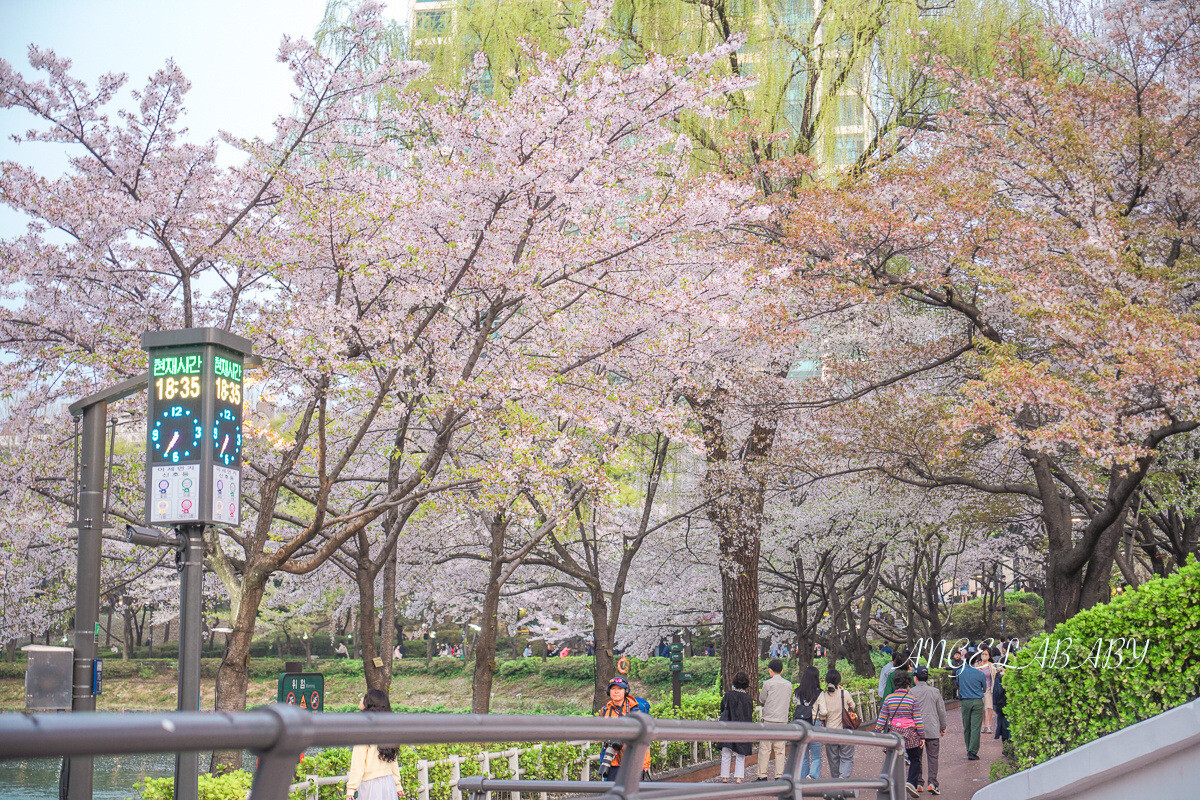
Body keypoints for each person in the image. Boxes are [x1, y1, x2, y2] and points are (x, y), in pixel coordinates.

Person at [876, 671, 924, 797]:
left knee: (895, 761)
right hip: (910, 735)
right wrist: (922, 736)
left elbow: (882, 718)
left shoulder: (889, 699)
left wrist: (877, 732)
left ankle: (895, 785)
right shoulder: (912, 699)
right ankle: (911, 782)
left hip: (894, 736)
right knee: (915, 759)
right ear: (908, 684)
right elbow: (918, 720)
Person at [346, 689, 401, 800]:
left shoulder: (364, 728)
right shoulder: (387, 728)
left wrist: (351, 789)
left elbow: (358, 762)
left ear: (370, 704)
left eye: (364, 697)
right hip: (388, 782)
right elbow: (392, 760)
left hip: (371, 785)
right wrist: (397, 785)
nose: (361, 699)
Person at [598, 677, 651, 782]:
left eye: (620, 689)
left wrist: (645, 763)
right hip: (612, 761)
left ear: (625, 691)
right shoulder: (605, 711)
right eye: (613, 689)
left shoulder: (635, 711)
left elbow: (643, 739)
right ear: (609, 691)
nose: (616, 691)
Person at [814, 669, 856, 784]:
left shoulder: (823, 695)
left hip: (830, 731)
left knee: (833, 758)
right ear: (839, 680)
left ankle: (836, 780)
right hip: (845, 731)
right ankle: (843, 777)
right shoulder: (844, 693)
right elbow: (853, 706)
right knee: (846, 756)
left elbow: (823, 714)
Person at [911, 666, 947, 795]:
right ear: (927, 678)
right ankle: (932, 783)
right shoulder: (935, 691)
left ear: (915, 678)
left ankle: (918, 783)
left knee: (917, 757)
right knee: (933, 757)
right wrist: (943, 726)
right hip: (932, 728)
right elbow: (941, 711)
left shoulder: (911, 692)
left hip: (916, 730)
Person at [758, 658, 793, 780]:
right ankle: (779, 776)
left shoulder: (767, 683)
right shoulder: (789, 685)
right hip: (782, 719)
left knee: (765, 748)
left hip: (769, 719)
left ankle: (762, 775)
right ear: (782, 670)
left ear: (770, 671)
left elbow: (762, 699)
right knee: (780, 750)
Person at [716, 671, 754, 782]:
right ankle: (738, 777)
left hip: (729, 726)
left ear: (734, 682)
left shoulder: (728, 695)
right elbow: (749, 714)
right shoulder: (748, 698)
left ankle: (724, 777)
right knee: (740, 754)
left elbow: (722, 708)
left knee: (726, 752)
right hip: (742, 728)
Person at [954, 651, 988, 760]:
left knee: (966, 726)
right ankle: (972, 751)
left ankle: (968, 747)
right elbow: (985, 688)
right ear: (976, 661)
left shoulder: (960, 672)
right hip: (977, 700)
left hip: (965, 701)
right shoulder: (980, 673)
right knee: (975, 727)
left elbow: (957, 684)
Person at [793, 666, 823, 780]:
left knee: (803, 755)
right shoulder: (820, 693)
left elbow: (795, 703)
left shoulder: (797, 692)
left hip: (801, 725)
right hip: (815, 724)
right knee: (816, 756)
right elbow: (824, 711)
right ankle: (812, 775)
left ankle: (802, 778)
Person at [976, 648, 997, 733]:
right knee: (981, 708)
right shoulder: (977, 666)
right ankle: (983, 725)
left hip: (988, 689)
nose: (984, 656)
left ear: (989, 656)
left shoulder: (991, 666)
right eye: (983, 654)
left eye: (986, 654)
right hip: (979, 690)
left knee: (988, 707)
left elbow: (994, 677)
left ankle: (988, 725)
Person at [992, 666, 1010, 742]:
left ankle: (1006, 747)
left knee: (1003, 725)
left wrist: (995, 705)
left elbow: (997, 692)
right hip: (1012, 703)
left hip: (1002, 704)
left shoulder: (1000, 676)